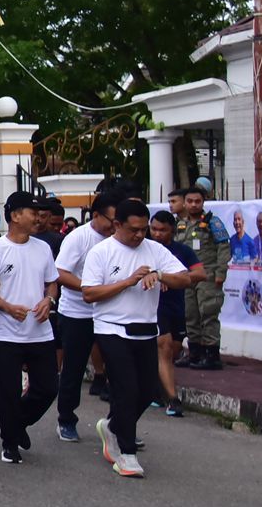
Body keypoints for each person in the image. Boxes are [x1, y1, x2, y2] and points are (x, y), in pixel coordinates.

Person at [80, 200, 190, 477]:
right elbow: (89, 294)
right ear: (117, 224)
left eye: (144, 229)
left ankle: (114, 425)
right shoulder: (101, 252)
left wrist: (160, 273)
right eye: (134, 230)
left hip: (146, 328)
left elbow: (186, 278)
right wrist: (127, 282)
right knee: (126, 388)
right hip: (111, 327)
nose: (140, 235)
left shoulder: (154, 250)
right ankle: (126, 454)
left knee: (149, 390)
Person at [0, 193, 60, 461]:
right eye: (32, 212)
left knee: (48, 388)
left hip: (41, 332)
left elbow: (52, 282)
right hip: (8, 334)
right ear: (15, 216)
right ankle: (9, 443)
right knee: (8, 392)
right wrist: (6, 307)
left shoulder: (43, 248)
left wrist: (49, 300)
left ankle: (17, 424)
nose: (38, 218)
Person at [54, 192, 117, 441]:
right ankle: (66, 419)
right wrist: (89, 289)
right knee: (74, 367)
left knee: (120, 368)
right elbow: (60, 272)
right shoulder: (79, 238)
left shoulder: (120, 239)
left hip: (111, 313)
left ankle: (118, 425)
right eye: (110, 220)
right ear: (96, 215)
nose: (114, 226)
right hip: (77, 313)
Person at [148, 210, 204, 414]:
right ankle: (173, 399)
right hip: (155, 307)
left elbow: (200, 273)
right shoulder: (145, 250)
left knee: (173, 350)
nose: (157, 234)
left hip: (177, 306)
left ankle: (156, 388)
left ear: (172, 229)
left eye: (162, 230)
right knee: (163, 346)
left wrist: (171, 278)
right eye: (154, 229)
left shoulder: (182, 251)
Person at [176, 186, 230, 371]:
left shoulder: (212, 222)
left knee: (208, 314)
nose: (193, 205)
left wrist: (221, 273)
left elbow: (224, 248)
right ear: (184, 202)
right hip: (187, 277)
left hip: (208, 275)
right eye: (189, 201)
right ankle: (195, 353)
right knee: (190, 315)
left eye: (197, 201)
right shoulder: (181, 224)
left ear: (203, 202)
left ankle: (211, 355)